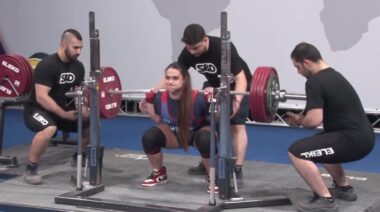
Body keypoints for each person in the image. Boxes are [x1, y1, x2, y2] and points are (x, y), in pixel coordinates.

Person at [287, 42, 374, 212]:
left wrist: (299, 121)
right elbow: (315, 113)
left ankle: (325, 200)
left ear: (306, 62)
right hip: (364, 138)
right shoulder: (334, 76)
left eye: (298, 67)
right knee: (320, 145)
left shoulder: (314, 81)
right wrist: (301, 117)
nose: (298, 72)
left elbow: (313, 120)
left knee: (297, 152)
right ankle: (345, 188)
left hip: (352, 140)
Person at [176, 24, 252, 186]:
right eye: (189, 48)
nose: (192, 52)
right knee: (206, 125)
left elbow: (240, 78)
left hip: (237, 87)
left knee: (236, 125)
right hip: (214, 87)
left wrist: (237, 101)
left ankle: (237, 169)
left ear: (205, 39)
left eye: (196, 48)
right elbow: (176, 74)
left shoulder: (223, 48)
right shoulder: (188, 52)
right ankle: (208, 162)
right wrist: (158, 92)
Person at [23, 29, 90, 185]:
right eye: (75, 47)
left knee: (91, 125)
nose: (79, 51)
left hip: (60, 112)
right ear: (63, 45)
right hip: (36, 110)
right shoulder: (47, 65)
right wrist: (63, 114)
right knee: (49, 129)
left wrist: (84, 107)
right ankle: (30, 168)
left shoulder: (78, 67)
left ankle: (78, 155)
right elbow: (41, 97)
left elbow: (78, 92)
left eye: (81, 48)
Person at [139, 62, 218, 193]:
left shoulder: (198, 98)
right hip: (174, 134)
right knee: (149, 137)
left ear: (184, 80)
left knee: (206, 139)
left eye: (175, 78)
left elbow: (217, 120)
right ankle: (159, 173)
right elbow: (157, 119)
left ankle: (213, 177)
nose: (170, 82)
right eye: (168, 78)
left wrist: (214, 101)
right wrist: (150, 102)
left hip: (196, 134)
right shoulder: (160, 98)